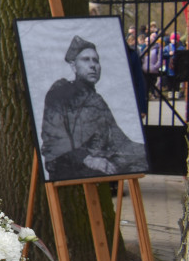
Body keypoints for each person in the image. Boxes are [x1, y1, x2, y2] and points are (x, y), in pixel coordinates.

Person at [40, 35, 148, 180]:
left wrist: (142, 153)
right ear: (73, 66)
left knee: (142, 155)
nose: (93, 65)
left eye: (96, 60)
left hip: (100, 160)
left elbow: (117, 140)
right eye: (86, 59)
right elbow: (54, 142)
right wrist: (88, 159)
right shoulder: (60, 93)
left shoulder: (97, 100)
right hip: (72, 166)